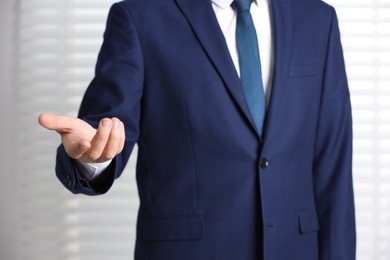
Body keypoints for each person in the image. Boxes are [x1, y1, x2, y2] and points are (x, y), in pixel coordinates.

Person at [38, 0, 356, 259]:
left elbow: (333, 170)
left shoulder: (318, 19)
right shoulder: (140, 17)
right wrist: (91, 158)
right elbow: (104, 129)